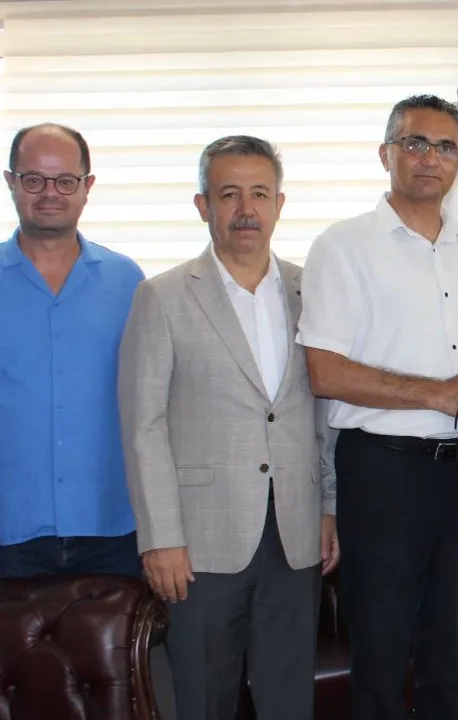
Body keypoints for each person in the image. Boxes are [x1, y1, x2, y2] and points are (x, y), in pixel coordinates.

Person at [298, 94, 458, 720]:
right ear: (385, 153)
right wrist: (441, 392)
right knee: (382, 650)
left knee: (454, 651)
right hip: (382, 470)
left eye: (446, 147)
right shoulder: (343, 246)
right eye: (415, 143)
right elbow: (324, 371)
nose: (430, 158)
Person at [117, 135, 337, 720]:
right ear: (203, 205)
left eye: (259, 194)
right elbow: (143, 427)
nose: (246, 209)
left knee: (288, 700)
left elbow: (326, 413)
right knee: (203, 700)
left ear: (279, 204)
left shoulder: (311, 292)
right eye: (229, 193)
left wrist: (329, 507)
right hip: (200, 543)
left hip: (295, 534)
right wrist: (160, 538)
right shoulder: (162, 297)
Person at [0, 123, 145, 578]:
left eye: (65, 181)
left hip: (113, 526)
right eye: (34, 179)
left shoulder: (128, 282)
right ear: (10, 182)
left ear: (87, 187)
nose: (50, 193)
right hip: (10, 528)